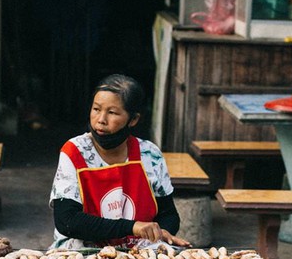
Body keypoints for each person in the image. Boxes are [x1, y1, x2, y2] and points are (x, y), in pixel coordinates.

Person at [49, 74, 190, 249]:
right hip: (84, 248)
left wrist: (162, 231)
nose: (101, 119)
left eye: (112, 112)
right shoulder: (75, 152)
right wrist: (132, 227)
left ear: (133, 119)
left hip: (138, 248)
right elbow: (67, 221)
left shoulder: (150, 155)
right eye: (96, 109)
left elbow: (168, 215)